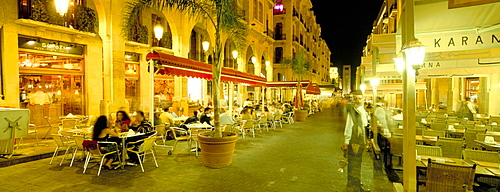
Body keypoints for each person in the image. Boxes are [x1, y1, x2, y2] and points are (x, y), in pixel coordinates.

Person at [342, 90, 369, 191]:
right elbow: (349, 126)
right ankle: (355, 184)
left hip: (360, 140)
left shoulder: (362, 110)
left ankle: (352, 182)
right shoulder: (353, 111)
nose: (357, 101)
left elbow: (365, 125)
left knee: (356, 162)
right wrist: (346, 141)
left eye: (359, 98)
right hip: (355, 140)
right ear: (353, 100)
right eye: (355, 98)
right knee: (355, 163)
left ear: (363, 98)